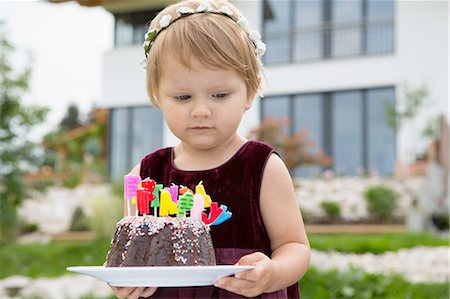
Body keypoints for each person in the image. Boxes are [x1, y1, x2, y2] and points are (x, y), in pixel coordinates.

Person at [111, 0, 310, 298]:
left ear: (250, 92)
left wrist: (273, 273)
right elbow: (132, 251)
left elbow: (295, 247)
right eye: (182, 97)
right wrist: (125, 282)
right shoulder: (145, 174)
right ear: (157, 95)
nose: (201, 110)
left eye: (219, 95)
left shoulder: (260, 166)